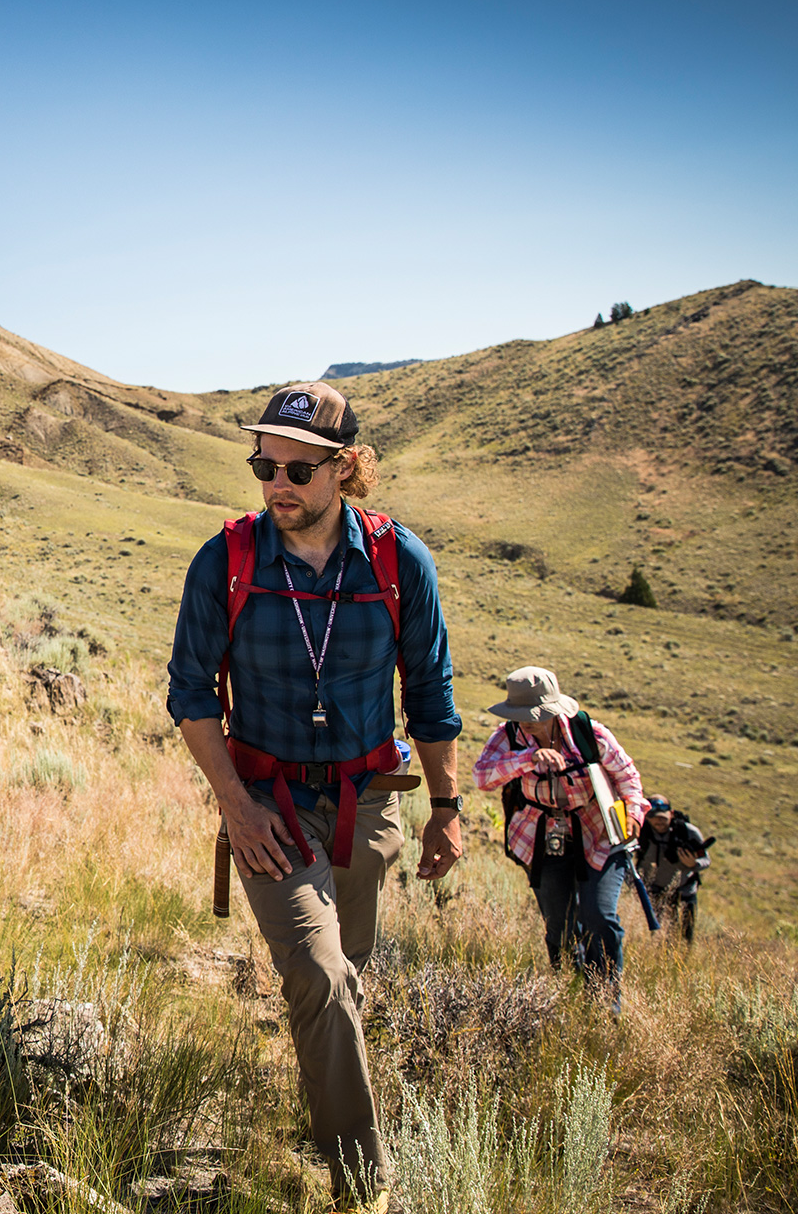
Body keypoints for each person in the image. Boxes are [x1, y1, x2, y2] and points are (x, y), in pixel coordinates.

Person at [168, 382, 463, 1212]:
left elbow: (432, 694)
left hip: (369, 804)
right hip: (268, 806)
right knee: (325, 977)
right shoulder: (224, 562)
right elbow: (190, 695)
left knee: (345, 980)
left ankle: (325, 1109)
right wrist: (234, 803)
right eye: (264, 463)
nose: (276, 482)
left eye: (298, 466)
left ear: (347, 469)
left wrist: (445, 810)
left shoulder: (400, 562)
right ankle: (364, 1189)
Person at [473, 666, 649, 990]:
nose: (523, 721)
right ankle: (567, 988)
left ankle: (607, 995)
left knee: (599, 916)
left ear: (553, 711)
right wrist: (528, 758)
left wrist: (634, 816)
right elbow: (482, 777)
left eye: (532, 714)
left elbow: (628, 779)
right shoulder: (508, 736)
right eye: (518, 713)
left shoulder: (590, 734)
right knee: (559, 925)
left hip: (599, 833)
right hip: (540, 839)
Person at [635, 796, 710, 942]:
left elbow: (705, 860)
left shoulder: (688, 832)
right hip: (655, 892)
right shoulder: (641, 833)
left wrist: (693, 864)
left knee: (686, 936)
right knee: (660, 936)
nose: (659, 822)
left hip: (685, 891)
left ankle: (684, 961)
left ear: (672, 813)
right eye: (654, 818)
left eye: (663, 818)